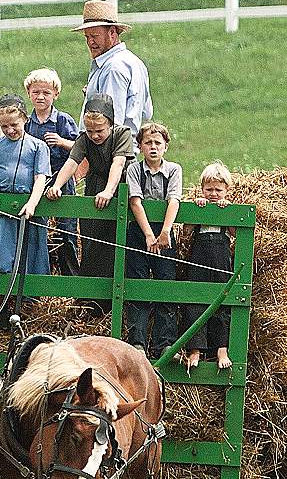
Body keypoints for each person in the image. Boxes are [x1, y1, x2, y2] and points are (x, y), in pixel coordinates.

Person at [47, 93, 134, 314]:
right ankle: (91, 304)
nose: (95, 135)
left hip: (119, 189)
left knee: (115, 245)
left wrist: (109, 191)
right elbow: (72, 162)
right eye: (90, 131)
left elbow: (118, 164)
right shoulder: (84, 139)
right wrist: (57, 185)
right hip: (94, 188)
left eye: (100, 131)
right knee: (92, 243)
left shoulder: (122, 134)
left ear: (111, 125)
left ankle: (115, 305)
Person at [0, 94, 51, 315]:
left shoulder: (38, 147)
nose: (9, 130)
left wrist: (32, 203)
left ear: (24, 119)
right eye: (4, 126)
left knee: (29, 261)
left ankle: (26, 315)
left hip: (27, 213)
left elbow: (40, 178)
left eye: (14, 125)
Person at [125, 123, 182, 359]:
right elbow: (135, 201)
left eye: (158, 143)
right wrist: (148, 234)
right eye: (148, 143)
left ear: (165, 147)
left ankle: (165, 343)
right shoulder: (134, 170)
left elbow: (174, 200)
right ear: (140, 146)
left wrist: (165, 232)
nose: (153, 147)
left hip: (164, 232)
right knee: (137, 283)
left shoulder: (174, 170)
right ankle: (137, 342)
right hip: (140, 231)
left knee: (165, 283)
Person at [23, 68, 79, 276]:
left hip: (62, 179)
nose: (40, 97)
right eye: (36, 92)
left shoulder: (63, 121)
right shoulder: (27, 124)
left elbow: (80, 148)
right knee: (38, 230)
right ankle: (41, 279)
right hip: (36, 181)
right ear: (29, 93)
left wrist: (62, 142)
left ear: (55, 94)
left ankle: (70, 284)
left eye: (46, 93)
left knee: (65, 232)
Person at [73, 0, 153, 140]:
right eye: (87, 37)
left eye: (95, 36)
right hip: (125, 150)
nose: (90, 42)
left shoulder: (113, 67)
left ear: (112, 33)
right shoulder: (135, 62)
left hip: (108, 154)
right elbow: (147, 113)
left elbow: (110, 120)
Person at [182, 161, 234, 372]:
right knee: (195, 301)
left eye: (218, 190)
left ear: (226, 191)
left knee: (222, 302)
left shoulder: (228, 207)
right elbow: (186, 231)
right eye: (209, 189)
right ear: (201, 189)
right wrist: (197, 211)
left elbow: (235, 232)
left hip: (220, 260)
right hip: (199, 259)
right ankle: (196, 349)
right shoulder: (198, 205)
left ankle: (221, 348)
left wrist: (226, 212)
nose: (213, 194)